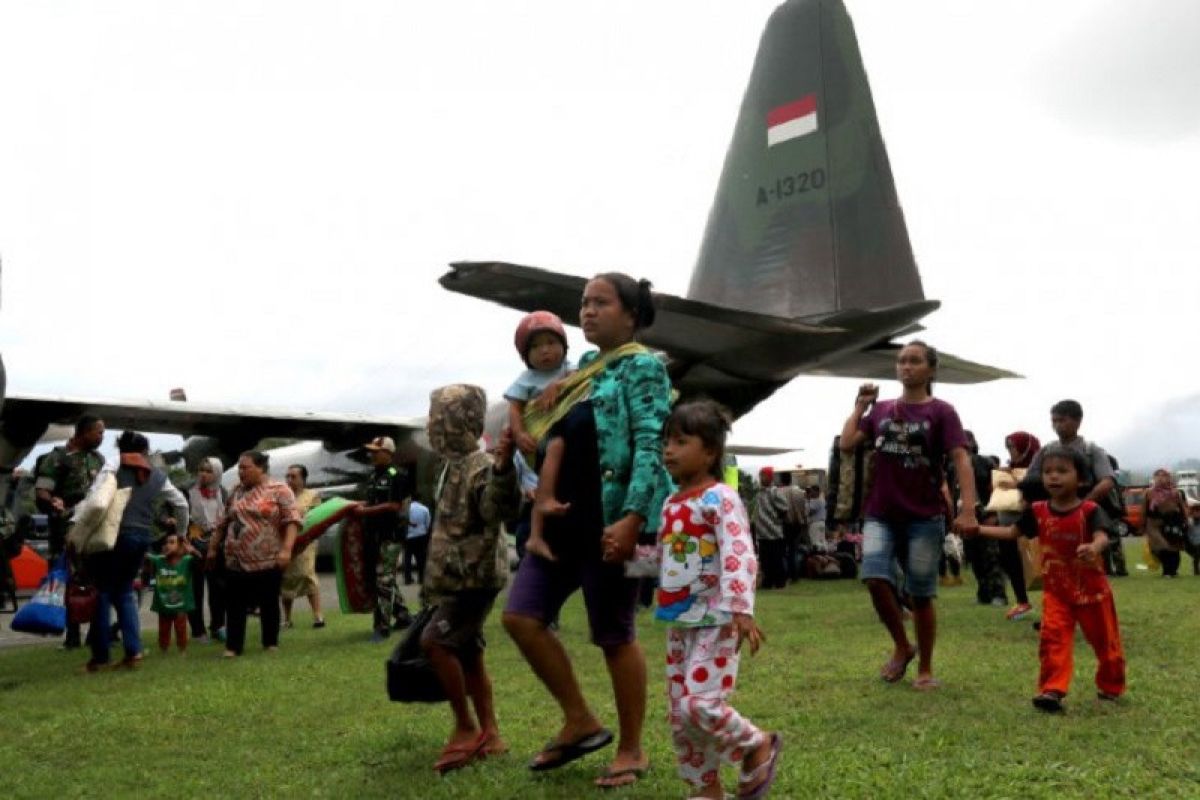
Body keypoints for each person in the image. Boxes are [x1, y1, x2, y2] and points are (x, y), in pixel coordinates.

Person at [502, 272, 670, 789]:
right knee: (520, 617)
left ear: (631, 314)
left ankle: (632, 749)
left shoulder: (643, 367)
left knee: (614, 634)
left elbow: (649, 443)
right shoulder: (581, 375)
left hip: (613, 522)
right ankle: (579, 720)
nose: (588, 311)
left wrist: (633, 517)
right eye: (584, 303)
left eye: (601, 303)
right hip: (561, 523)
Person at [655, 400, 781, 800]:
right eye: (666, 442)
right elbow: (671, 559)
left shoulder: (721, 499)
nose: (668, 450)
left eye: (680, 441)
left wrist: (741, 609)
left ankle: (756, 744)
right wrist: (626, 562)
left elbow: (738, 552)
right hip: (680, 622)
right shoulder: (671, 503)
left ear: (709, 451)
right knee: (680, 715)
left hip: (717, 619)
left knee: (700, 706)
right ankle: (705, 789)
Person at [839, 341, 976, 690]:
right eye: (901, 361)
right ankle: (902, 644)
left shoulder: (942, 412)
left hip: (924, 515)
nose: (906, 367)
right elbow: (847, 442)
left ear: (930, 370)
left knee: (920, 593)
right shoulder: (882, 409)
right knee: (873, 577)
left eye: (914, 361)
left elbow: (961, 459)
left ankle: (926, 668)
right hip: (881, 512)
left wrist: (969, 509)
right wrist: (860, 407)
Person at [966, 443, 1125, 712]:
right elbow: (1012, 533)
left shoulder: (1089, 511)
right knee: (1053, 639)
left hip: (1092, 592)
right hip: (1056, 593)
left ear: (1082, 478)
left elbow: (1102, 536)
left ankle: (1111, 684)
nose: (1053, 476)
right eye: (1048, 471)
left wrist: (1094, 547)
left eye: (1062, 471)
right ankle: (1052, 690)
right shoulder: (1038, 511)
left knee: (1105, 643)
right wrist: (977, 529)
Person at [419, 384, 521, 773]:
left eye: (440, 419)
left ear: (462, 422)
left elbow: (498, 508)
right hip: (458, 577)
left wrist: (503, 469)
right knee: (469, 651)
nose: (433, 427)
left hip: (472, 578)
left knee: (436, 642)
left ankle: (466, 728)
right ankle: (491, 734)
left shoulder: (479, 466)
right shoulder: (451, 466)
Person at [85, 431, 190, 671]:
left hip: (114, 537)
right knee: (125, 592)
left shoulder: (112, 467)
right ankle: (133, 652)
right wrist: (181, 534)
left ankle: (100, 658)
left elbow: (95, 499)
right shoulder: (157, 475)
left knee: (102, 593)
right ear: (145, 451)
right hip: (142, 536)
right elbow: (181, 504)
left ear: (120, 448)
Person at [207, 450, 299, 658]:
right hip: (235, 558)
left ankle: (270, 642)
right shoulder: (236, 491)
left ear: (260, 468)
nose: (240, 472)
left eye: (245, 467)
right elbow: (222, 523)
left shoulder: (280, 490)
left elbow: (292, 520)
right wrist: (213, 549)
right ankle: (233, 646)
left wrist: (286, 549)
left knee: (268, 602)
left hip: (267, 558)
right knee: (235, 604)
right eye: (239, 467)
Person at [1021, 400, 1126, 576]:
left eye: (1062, 420)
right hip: (1054, 510)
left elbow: (1107, 481)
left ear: (1077, 421)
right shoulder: (1046, 451)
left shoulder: (1092, 450)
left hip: (1088, 508)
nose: (1057, 425)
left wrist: (1083, 506)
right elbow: (1031, 479)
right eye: (1054, 421)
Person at [504, 310, 574, 563]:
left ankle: (542, 537)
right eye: (535, 347)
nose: (545, 351)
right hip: (536, 445)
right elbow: (514, 407)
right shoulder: (526, 380)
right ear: (526, 356)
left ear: (564, 346)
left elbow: (584, 379)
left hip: (564, 442)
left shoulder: (571, 369)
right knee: (535, 491)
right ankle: (534, 537)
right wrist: (520, 433)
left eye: (551, 343)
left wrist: (559, 385)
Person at [35, 414, 106, 648]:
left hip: (94, 529)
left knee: (97, 578)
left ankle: (98, 632)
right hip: (66, 529)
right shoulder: (58, 458)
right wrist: (52, 501)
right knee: (70, 580)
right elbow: (42, 490)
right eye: (98, 432)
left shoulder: (99, 459)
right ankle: (72, 635)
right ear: (83, 433)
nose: (101, 437)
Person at [351, 436, 413, 642]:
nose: (372, 455)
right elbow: (372, 500)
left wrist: (366, 511)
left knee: (383, 579)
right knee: (383, 578)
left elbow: (395, 506)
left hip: (391, 535)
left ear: (388, 453)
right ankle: (403, 616)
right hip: (374, 534)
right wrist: (356, 506)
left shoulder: (397, 475)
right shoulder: (373, 476)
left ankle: (381, 627)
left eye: (376, 452)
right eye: (371, 451)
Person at [994, 432, 1041, 620]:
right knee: (1011, 562)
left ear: (1025, 447)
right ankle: (1022, 601)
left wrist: (1017, 484)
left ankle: (1057, 605)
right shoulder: (1007, 470)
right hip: (1007, 522)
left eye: (1013, 447)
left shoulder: (1040, 467)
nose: (1010, 451)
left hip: (1031, 523)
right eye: (1008, 448)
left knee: (1042, 563)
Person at [186, 457, 227, 643]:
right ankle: (197, 631)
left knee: (218, 588)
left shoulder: (223, 492)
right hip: (194, 544)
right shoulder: (188, 491)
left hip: (217, 544)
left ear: (217, 473)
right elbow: (167, 509)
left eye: (209, 471)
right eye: (201, 470)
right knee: (195, 589)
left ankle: (218, 626)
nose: (203, 474)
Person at [281, 464, 324, 628]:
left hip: (306, 542)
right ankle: (287, 618)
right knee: (286, 579)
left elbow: (317, 518)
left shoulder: (312, 495)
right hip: (286, 541)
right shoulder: (282, 495)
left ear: (303, 479)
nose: (290, 480)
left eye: (294, 477)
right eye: (288, 476)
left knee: (307, 574)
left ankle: (318, 615)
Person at [148, 531, 197, 654]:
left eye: (171, 542)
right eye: (165, 543)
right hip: (163, 605)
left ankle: (182, 649)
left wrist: (191, 550)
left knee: (181, 627)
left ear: (181, 546)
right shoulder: (159, 560)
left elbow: (201, 561)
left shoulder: (187, 560)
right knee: (163, 628)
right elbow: (145, 556)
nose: (167, 545)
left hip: (181, 604)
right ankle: (163, 649)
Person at [1140, 468, 1188, 578]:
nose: (1161, 479)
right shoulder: (1148, 493)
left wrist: (1185, 521)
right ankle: (1167, 570)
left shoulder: (1175, 492)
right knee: (1161, 547)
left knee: (1174, 547)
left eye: (1164, 476)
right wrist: (1142, 525)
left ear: (1169, 478)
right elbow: (1143, 510)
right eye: (1158, 476)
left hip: (1172, 523)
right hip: (1154, 524)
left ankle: (1172, 571)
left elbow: (1182, 508)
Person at [751, 468, 788, 590]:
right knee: (765, 560)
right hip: (762, 533)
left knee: (776, 559)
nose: (761, 478)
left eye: (764, 476)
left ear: (770, 477)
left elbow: (784, 508)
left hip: (774, 532)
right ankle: (768, 582)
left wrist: (776, 520)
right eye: (760, 476)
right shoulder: (759, 493)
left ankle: (780, 582)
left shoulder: (774, 492)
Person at [777, 470, 808, 582]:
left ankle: (784, 574)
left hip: (783, 524)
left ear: (781, 479)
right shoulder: (799, 492)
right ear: (790, 479)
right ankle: (794, 575)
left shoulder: (778, 492)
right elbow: (805, 509)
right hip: (797, 524)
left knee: (782, 551)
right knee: (793, 550)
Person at [403, 498, 431, 586]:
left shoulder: (406, 509)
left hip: (409, 537)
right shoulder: (425, 509)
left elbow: (403, 521)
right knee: (421, 558)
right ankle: (421, 578)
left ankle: (407, 579)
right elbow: (428, 523)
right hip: (421, 536)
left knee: (407, 558)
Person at [806, 485, 827, 550]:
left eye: (812, 491)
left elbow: (810, 512)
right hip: (821, 523)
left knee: (815, 541)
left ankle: (816, 555)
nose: (811, 493)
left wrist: (808, 500)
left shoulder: (817, 501)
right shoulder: (822, 500)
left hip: (815, 523)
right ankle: (823, 555)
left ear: (817, 492)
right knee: (821, 541)